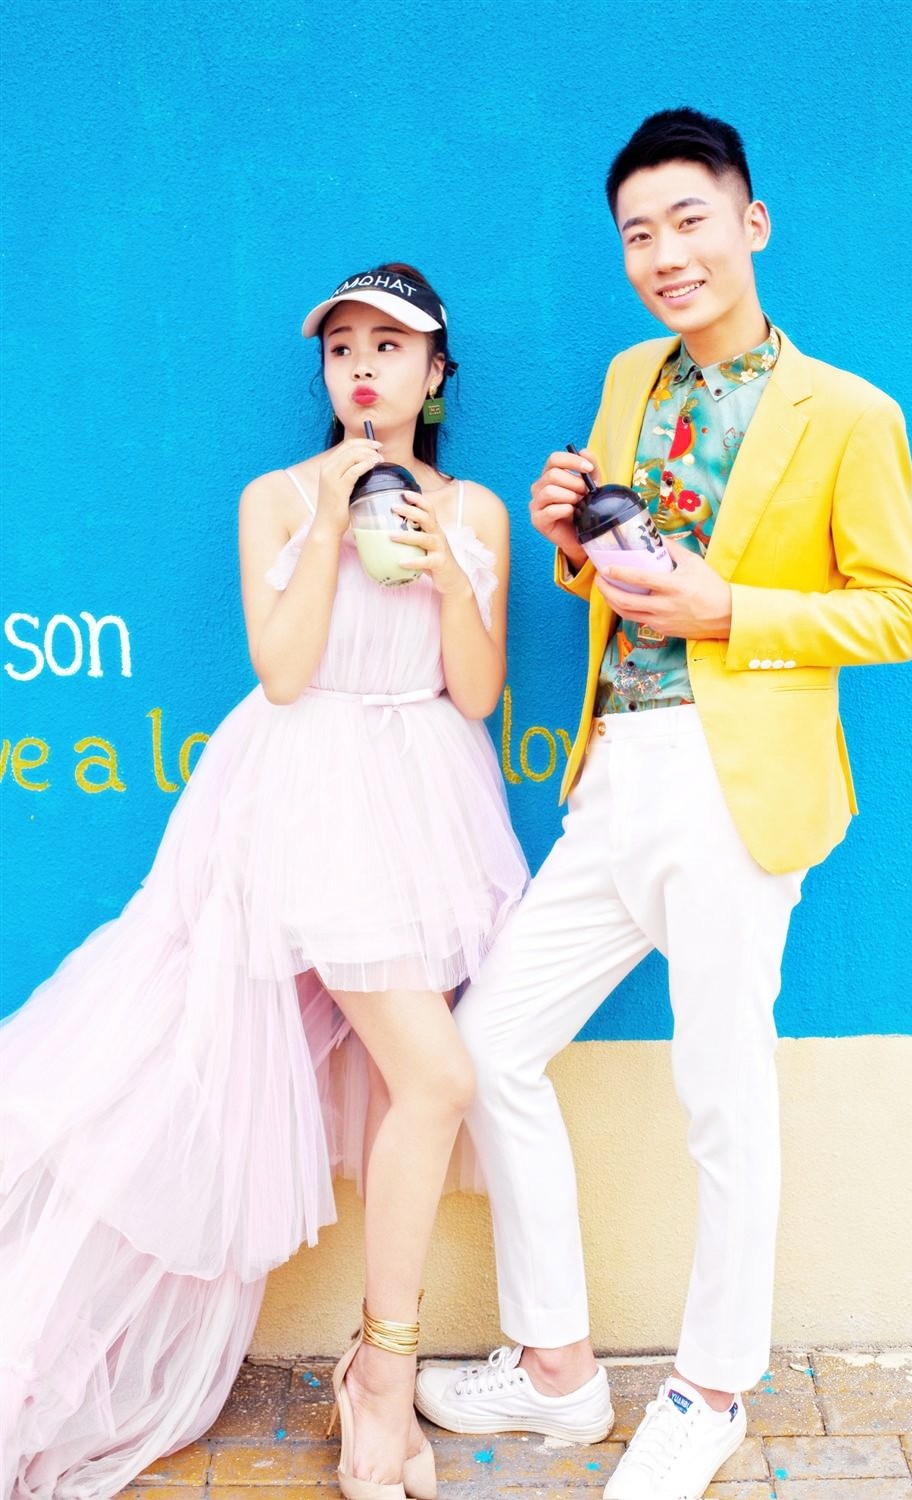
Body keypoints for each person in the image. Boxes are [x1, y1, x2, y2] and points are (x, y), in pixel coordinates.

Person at [415, 109, 912, 1500]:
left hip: (735, 777)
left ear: (750, 224)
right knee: (490, 1041)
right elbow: (614, 567)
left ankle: (710, 1391)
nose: (664, 255)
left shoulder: (851, 413)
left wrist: (732, 610)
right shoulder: (628, 376)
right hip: (615, 770)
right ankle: (559, 1369)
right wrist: (565, 539)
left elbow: (900, 612)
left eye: (689, 221)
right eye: (638, 234)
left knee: (721, 1091)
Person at [0, 262, 528, 1500]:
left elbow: (474, 690)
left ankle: (376, 1376)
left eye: (390, 346)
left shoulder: (476, 510)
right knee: (434, 1075)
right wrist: (334, 522)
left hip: (424, 795)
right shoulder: (278, 497)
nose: (363, 366)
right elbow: (283, 674)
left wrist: (448, 568)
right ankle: (381, 1378)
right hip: (312, 797)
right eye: (343, 347)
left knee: (410, 1083)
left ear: (435, 374)